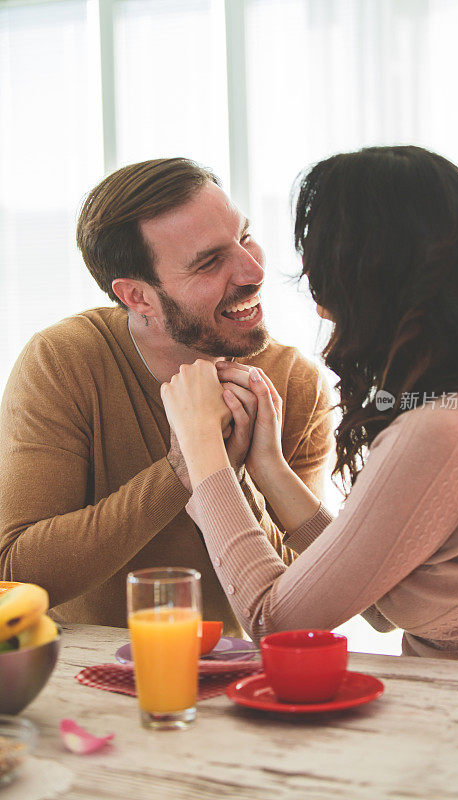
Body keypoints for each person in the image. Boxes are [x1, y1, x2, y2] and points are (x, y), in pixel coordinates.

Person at [160, 146, 458, 664]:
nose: (312, 288)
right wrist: (267, 467)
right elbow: (380, 598)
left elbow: (274, 624)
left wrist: (201, 451)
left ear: (368, 270)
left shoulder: (445, 429)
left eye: (321, 254)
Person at [0, 158, 333, 633]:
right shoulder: (64, 360)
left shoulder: (293, 380)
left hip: (246, 679)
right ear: (138, 297)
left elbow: (308, 596)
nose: (253, 270)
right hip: (86, 677)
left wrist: (232, 475)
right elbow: (15, 572)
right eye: (209, 262)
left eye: (244, 237)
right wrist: (182, 469)